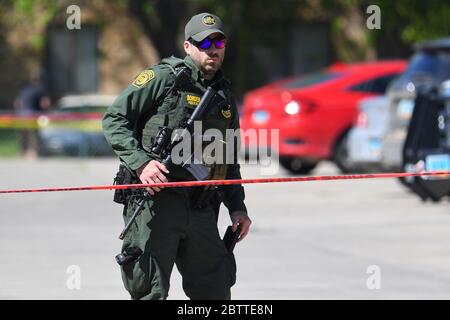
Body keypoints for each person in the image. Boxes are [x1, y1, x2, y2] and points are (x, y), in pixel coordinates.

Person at [103, 12, 252, 300]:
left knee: (216, 290)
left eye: (218, 42)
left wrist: (237, 208)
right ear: (187, 46)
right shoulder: (164, 79)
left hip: (201, 207)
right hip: (156, 203)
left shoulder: (225, 97)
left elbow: (228, 160)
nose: (212, 48)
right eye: (204, 42)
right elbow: (114, 118)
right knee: (150, 291)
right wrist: (142, 163)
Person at [14, 71, 51, 159]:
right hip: (33, 114)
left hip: (21, 114)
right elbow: (45, 103)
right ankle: (34, 152)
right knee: (35, 134)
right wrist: (46, 113)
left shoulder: (25, 88)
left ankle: (22, 151)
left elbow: (17, 103)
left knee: (22, 135)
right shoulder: (42, 89)